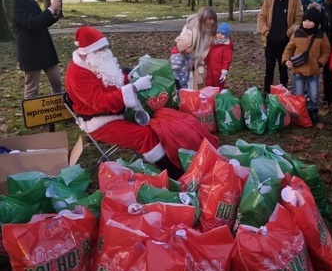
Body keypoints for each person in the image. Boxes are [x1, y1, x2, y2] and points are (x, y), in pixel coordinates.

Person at [65, 27, 218, 179]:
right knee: (146, 135)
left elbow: (119, 79)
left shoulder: (99, 62)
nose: (106, 52)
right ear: (90, 52)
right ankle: (174, 173)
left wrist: (137, 75)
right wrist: (134, 87)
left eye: (106, 48)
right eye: (102, 50)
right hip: (100, 122)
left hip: (124, 111)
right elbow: (101, 103)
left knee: (168, 120)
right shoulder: (77, 74)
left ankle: (193, 155)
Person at [2, 0, 62, 99]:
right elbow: (31, 23)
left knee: (57, 83)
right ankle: (33, 119)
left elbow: (40, 21)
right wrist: (50, 9)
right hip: (29, 50)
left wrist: (55, 14)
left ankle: (60, 113)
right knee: (31, 89)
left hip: (44, 47)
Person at [282, 4, 331, 124]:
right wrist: (286, 60)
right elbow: (289, 48)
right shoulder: (297, 33)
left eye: (310, 21)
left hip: (313, 71)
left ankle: (313, 110)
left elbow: (326, 50)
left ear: (316, 22)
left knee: (313, 93)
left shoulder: (321, 35)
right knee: (298, 93)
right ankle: (300, 110)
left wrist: (320, 63)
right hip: (298, 70)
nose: (307, 23)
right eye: (305, 20)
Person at [258, 0, 303, 93]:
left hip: (285, 41)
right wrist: (266, 32)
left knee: (283, 70)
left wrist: (288, 33)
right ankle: (266, 94)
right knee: (269, 69)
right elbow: (261, 17)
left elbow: (299, 19)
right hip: (270, 40)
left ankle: (284, 94)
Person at [174, 6, 217, 89]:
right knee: (187, 86)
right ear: (203, 18)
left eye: (213, 19)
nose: (212, 22)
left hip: (201, 65)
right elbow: (180, 44)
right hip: (187, 63)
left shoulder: (212, 30)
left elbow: (208, 49)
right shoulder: (190, 28)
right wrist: (189, 47)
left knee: (200, 86)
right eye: (209, 19)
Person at [205, 22, 234, 88]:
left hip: (219, 72)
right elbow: (208, 55)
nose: (220, 35)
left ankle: (218, 97)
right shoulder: (213, 44)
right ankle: (209, 97)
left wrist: (224, 73)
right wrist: (203, 62)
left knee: (218, 86)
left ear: (226, 35)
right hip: (210, 69)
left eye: (222, 34)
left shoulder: (226, 47)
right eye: (218, 33)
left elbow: (226, 61)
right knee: (208, 83)